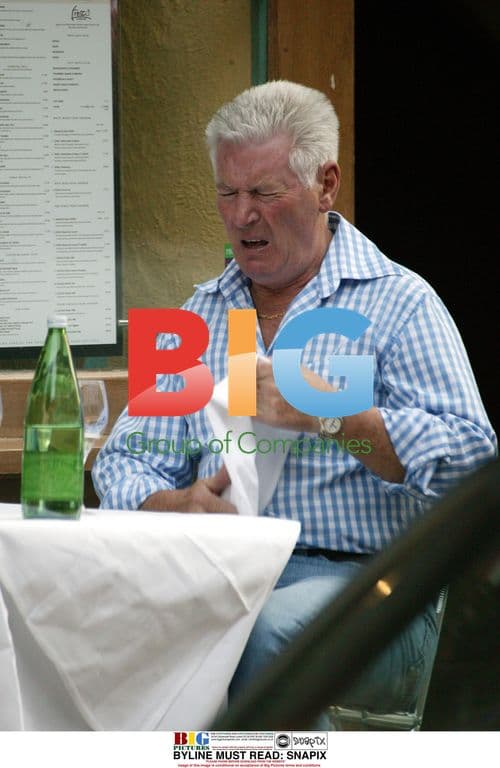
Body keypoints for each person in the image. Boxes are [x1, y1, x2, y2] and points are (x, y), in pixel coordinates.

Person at [93, 81, 497, 720]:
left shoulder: (400, 302)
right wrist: (168, 503)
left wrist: (334, 416)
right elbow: (123, 459)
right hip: (216, 575)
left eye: (263, 193)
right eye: (227, 192)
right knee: (101, 636)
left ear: (326, 184)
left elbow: (476, 469)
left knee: (260, 640)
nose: (241, 215)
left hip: (365, 592)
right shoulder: (199, 311)